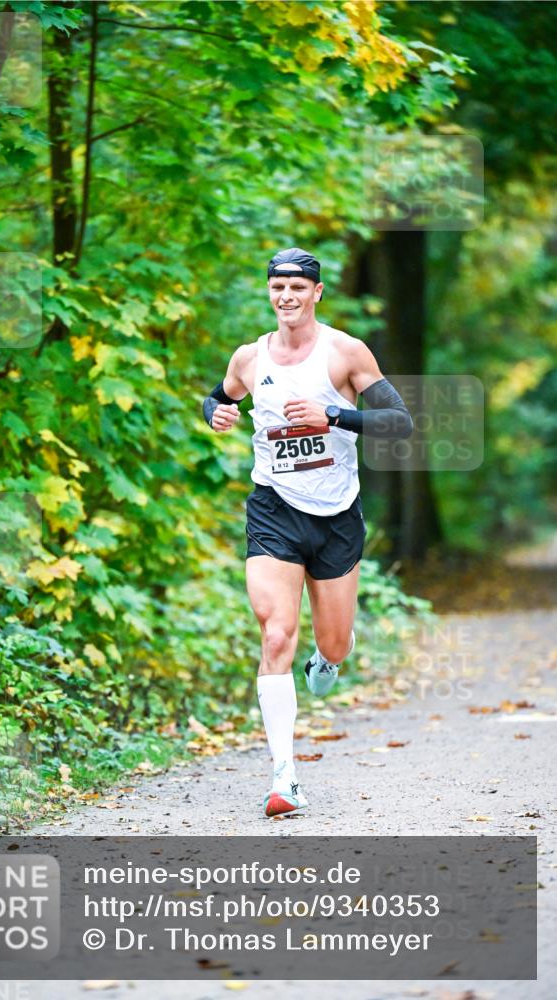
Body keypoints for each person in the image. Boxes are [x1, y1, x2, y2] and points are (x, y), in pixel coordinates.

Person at [202, 247, 413, 817]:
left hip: (337, 515)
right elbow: (218, 399)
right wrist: (214, 414)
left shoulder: (344, 352)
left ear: (317, 292)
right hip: (274, 510)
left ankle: (329, 660)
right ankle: (283, 778)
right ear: (269, 293)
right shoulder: (249, 358)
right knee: (275, 634)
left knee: (333, 642)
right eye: (277, 287)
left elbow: (400, 423)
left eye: (298, 286)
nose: (287, 296)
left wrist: (334, 416)